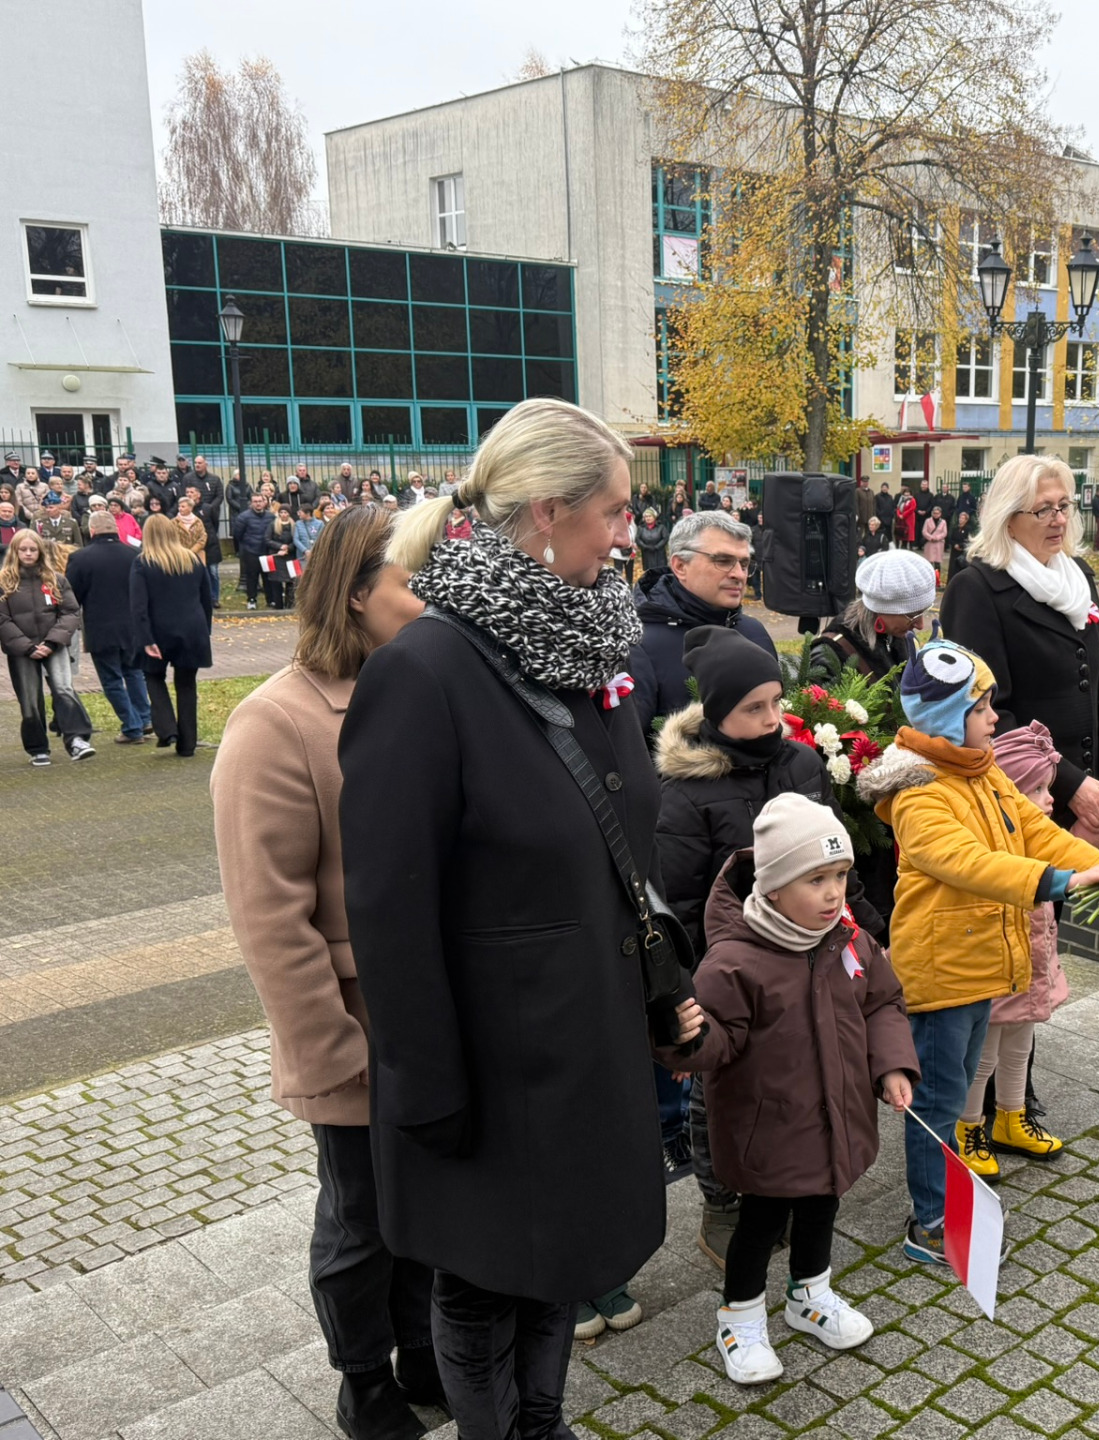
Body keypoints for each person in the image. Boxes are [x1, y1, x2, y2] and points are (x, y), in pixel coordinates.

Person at [340, 398, 705, 1439]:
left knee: (566, 1260)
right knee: (484, 1280)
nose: (628, 534)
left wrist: (664, 990)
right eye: (616, 512)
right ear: (547, 513)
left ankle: (542, 1423)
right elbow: (388, 908)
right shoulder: (426, 672)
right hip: (491, 1063)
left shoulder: (585, 652)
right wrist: (429, 1085)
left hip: (584, 1036)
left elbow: (623, 848)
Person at [210, 507, 440, 1440]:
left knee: (427, 1202)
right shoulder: (275, 722)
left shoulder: (420, 694)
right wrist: (327, 1046)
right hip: (355, 1027)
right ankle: (364, 1383)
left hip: (432, 1015)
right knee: (362, 1219)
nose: (431, 601)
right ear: (355, 593)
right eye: (411, 582)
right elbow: (269, 913)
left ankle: (424, 1347)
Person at [857, 641, 1099, 1264]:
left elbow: (1037, 831)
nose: (995, 718)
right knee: (937, 1101)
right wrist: (1063, 881)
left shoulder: (979, 767)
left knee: (957, 1083)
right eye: (982, 706)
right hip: (944, 972)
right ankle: (931, 1222)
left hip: (979, 963)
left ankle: (949, 1199)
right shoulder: (920, 791)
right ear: (945, 718)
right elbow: (965, 863)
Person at [655, 625, 889, 1269]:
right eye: (752, 709)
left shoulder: (802, 763)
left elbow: (833, 861)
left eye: (775, 704)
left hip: (807, 951)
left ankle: (789, 1184)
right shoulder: (686, 790)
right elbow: (677, 901)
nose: (771, 720)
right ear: (716, 713)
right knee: (718, 1091)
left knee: (794, 1077)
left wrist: (866, 931)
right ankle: (721, 1202)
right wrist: (683, 994)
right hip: (729, 966)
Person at [669, 795, 916, 1384]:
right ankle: (741, 1317)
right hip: (768, 1130)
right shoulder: (734, 962)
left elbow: (882, 1001)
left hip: (838, 1117)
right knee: (760, 1224)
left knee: (823, 1205)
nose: (834, 893)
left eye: (840, 876)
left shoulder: (850, 941)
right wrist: (680, 1039)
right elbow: (714, 1044)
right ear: (775, 887)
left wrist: (891, 1066)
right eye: (816, 880)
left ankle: (810, 1294)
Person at [940, 455, 1099, 835]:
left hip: (1095, 797)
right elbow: (986, 714)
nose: (1059, 519)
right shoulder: (976, 590)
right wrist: (1067, 784)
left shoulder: (1078, 578)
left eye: (1064, 506)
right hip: (1027, 803)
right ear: (1008, 518)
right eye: (1043, 510)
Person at [953, 722, 1086, 1181]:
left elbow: (1080, 857)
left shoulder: (1040, 837)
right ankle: (968, 1126)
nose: (1050, 801)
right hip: (999, 968)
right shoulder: (994, 854)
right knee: (984, 1052)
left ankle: (1011, 1116)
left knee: (1021, 1044)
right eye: (1038, 791)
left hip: (1033, 966)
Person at [628, 510, 776, 742]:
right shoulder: (641, 644)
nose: (739, 575)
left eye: (745, 564)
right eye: (723, 561)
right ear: (680, 566)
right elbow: (631, 752)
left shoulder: (755, 632)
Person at [0, 531, 94, 764]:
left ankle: (76, 740)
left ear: (40, 551)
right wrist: (27, 646)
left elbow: (70, 612)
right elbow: (2, 619)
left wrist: (52, 642)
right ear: (16, 551)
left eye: (33, 549)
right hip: (22, 650)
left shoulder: (56, 579)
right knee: (30, 699)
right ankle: (37, 748)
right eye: (24, 550)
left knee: (63, 689)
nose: (29, 554)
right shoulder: (4, 582)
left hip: (54, 645)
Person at [130, 517, 217, 758]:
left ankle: (167, 728)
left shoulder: (143, 563)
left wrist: (146, 638)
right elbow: (205, 598)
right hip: (192, 629)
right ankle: (188, 743)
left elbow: (138, 606)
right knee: (187, 685)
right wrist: (205, 630)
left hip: (159, 631)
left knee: (153, 676)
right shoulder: (191, 560)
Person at [65, 512, 152, 745]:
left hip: (100, 628)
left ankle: (132, 727)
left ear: (91, 530)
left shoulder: (80, 558)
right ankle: (144, 719)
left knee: (111, 679)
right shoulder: (135, 555)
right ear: (115, 528)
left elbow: (71, 596)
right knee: (134, 674)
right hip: (132, 627)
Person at [805, 550, 934, 684]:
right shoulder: (829, 656)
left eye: (923, 612)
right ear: (881, 608)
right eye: (912, 615)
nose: (920, 625)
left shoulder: (899, 636)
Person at [233, 492, 276, 610]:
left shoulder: (271, 516)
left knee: (268, 576)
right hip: (251, 551)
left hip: (267, 551)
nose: (258, 504)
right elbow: (238, 535)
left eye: (260, 501)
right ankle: (251, 599)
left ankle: (271, 599)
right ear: (251, 503)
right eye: (255, 502)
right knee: (252, 577)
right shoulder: (243, 517)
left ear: (264, 502)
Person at [635, 507, 669, 577]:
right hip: (647, 553)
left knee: (660, 572)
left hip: (659, 553)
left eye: (650, 516)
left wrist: (657, 547)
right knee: (649, 573)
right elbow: (638, 539)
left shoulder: (661, 527)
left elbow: (665, 538)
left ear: (654, 517)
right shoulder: (641, 528)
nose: (648, 518)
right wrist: (645, 546)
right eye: (646, 516)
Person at [920, 505, 948, 575]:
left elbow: (944, 533)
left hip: (939, 544)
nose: (936, 515)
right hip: (929, 543)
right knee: (929, 562)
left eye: (937, 513)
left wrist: (937, 538)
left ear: (940, 514)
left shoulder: (943, 522)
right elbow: (924, 531)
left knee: (937, 562)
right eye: (934, 513)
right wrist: (930, 537)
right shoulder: (927, 520)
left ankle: (937, 578)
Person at [894, 485, 918, 549]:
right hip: (902, 519)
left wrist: (903, 515)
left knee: (910, 533)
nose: (907, 494)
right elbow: (898, 508)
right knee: (903, 532)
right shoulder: (901, 499)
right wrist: (899, 515)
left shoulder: (912, 500)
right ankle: (903, 546)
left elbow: (912, 508)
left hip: (909, 518)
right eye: (905, 492)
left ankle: (910, 547)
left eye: (908, 492)